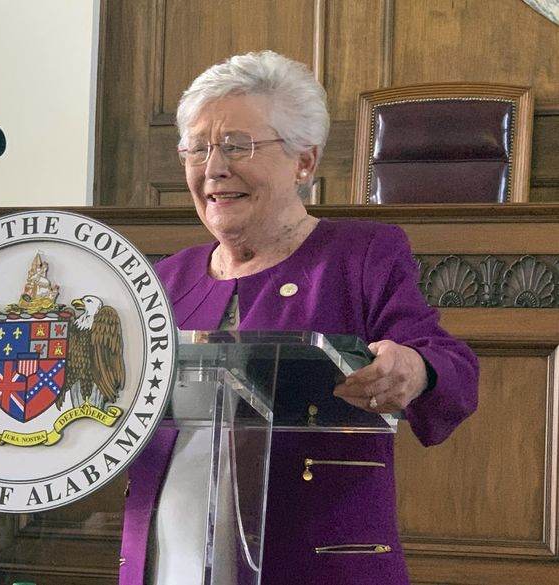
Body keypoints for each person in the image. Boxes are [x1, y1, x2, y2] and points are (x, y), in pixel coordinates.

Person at [119, 51, 479, 585]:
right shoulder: (166, 278)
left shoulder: (360, 256)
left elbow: (452, 369)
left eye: (236, 145)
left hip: (315, 564)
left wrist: (414, 369)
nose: (213, 167)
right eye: (197, 148)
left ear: (303, 162)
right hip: (169, 561)